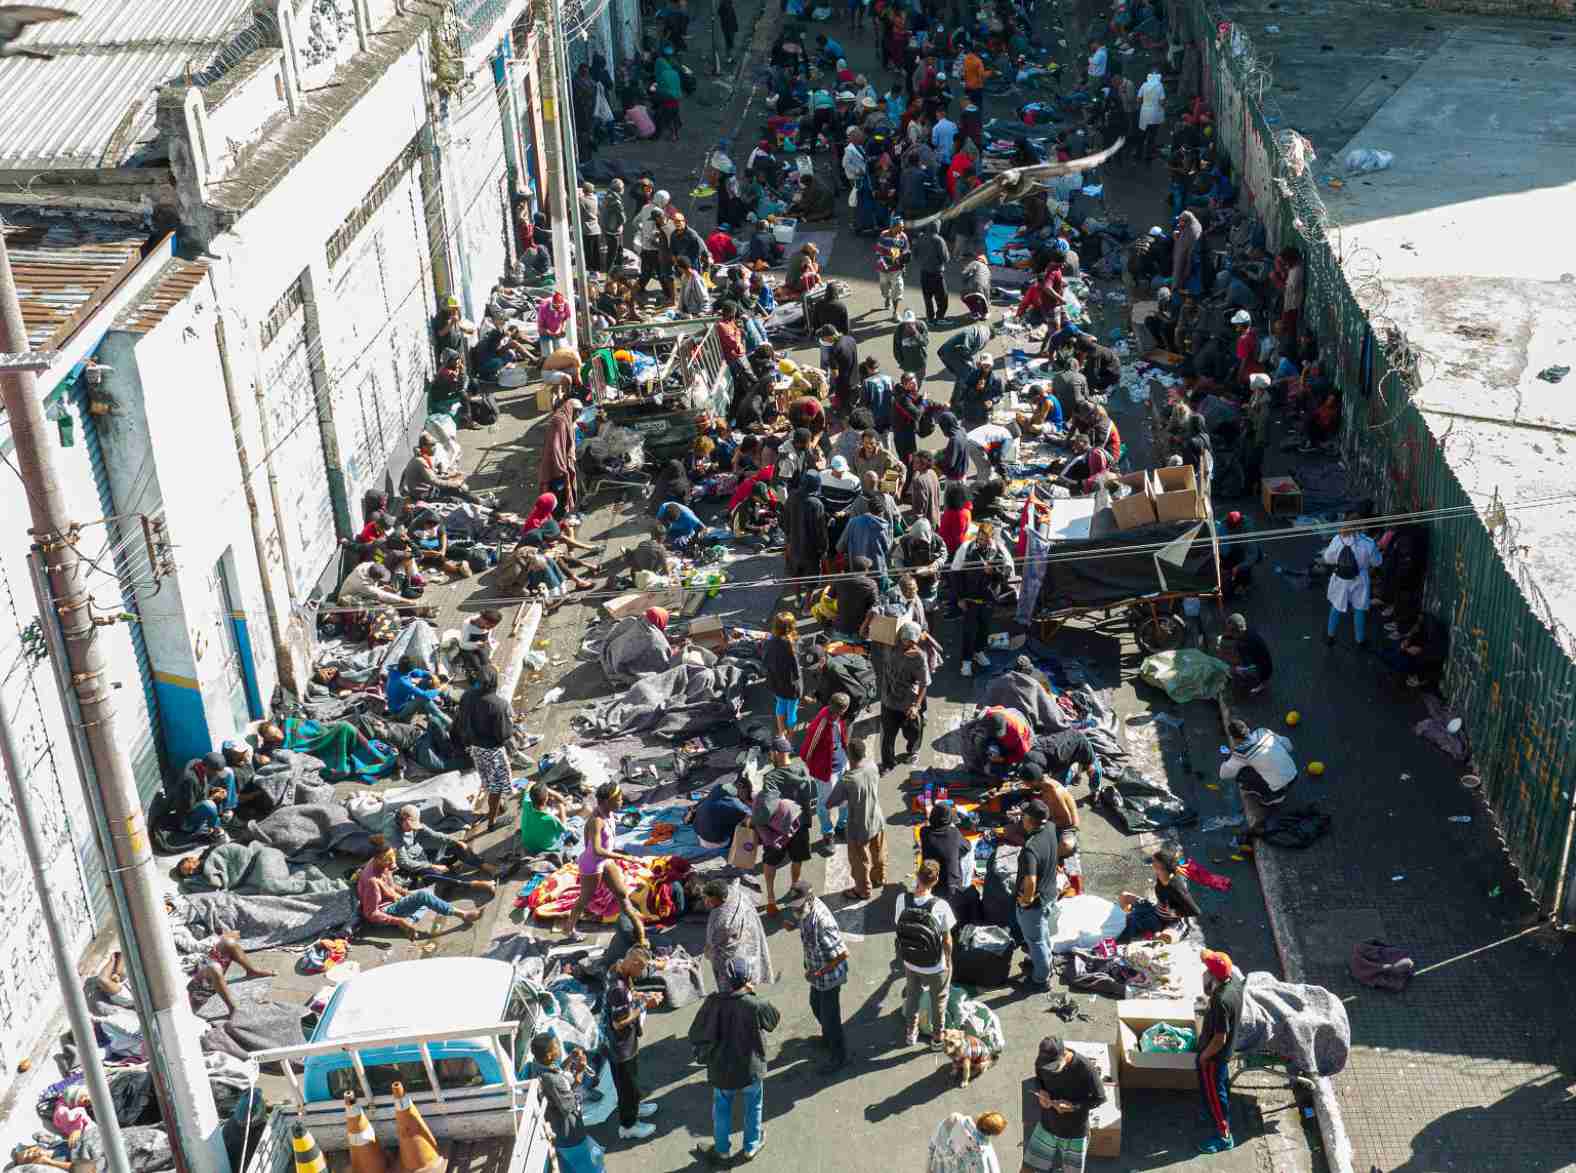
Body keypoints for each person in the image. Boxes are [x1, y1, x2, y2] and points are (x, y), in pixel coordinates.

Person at [689, 956, 780, 1167]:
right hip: (751, 1068)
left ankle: (722, 1151)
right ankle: (751, 1146)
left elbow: (695, 1033)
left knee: (721, 1108)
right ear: (747, 979)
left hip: (721, 1070)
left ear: (725, 979)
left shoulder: (713, 1002)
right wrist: (751, 993)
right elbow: (773, 1020)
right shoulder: (755, 1004)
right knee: (753, 1106)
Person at [561, 782, 639, 943]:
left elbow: (587, 838)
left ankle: (635, 925)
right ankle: (569, 928)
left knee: (622, 893)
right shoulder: (597, 821)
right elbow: (595, 849)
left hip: (605, 861)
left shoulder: (609, 814)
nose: (622, 801)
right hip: (592, 866)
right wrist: (624, 857)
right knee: (584, 899)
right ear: (606, 801)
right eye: (618, 799)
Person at [895, 860, 955, 1048]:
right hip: (935, 965)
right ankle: (937, 1038)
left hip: (910, 960)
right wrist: (948, 960)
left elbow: (899, 926)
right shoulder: (941, 906)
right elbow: (947, 939)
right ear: (936, 880)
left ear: (917, 875)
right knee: (939, 1000)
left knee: (912, 995)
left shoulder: (902, 899)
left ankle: (910, 1034)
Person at [754, 735, 816, 917]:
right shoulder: (802, 769)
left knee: (770, 862)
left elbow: (766, 809)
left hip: (778, 831)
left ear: (776, 753)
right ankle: (794, 889)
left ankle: (771, 900)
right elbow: (811, 797)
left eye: (771, 753)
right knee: (797, 860)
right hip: (800, 825)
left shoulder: (771, 777)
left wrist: (755, 821)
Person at [358, 847, 481, 938]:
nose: (393, 861)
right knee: (423, 896)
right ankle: (463, 914)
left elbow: (391, 886)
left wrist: (405, 893)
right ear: (377, 860)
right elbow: (371, 913)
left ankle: (410, 921)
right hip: (386, 911)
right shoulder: (371, 882)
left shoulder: (383, 865)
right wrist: (398, 921)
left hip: (394, 900)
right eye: (387, 859)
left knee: (428, 892)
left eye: (393, 856)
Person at [1025, 1036, 1106, 1172]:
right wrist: (1042, 1091)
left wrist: (1073, 1106)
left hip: (1074, 1132)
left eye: (1054, 1066)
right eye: (1047, 1067)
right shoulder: (1042, 1063)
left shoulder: (1085, 1068)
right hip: (1047, 1125)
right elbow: (1038, 1078)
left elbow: (1100, 1098)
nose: (1049, 1070)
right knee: (1028, 1168)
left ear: (1064, 1055)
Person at [606, 948, 663, 1141]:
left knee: (633, 1083)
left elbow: (629, 997)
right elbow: (618, 1022)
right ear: (635, 964)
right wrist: (645, 1006)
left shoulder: (620, 969)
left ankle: (635, 1109)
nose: (643, 974)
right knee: (627, 1088)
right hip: (621, 1049)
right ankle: (628, 1126)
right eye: (643, 969)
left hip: (628, 1044)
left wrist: (641, 997)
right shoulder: (618, 988)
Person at [1219, 719, 1298, 846]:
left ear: (1234, 739)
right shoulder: (1263, 731)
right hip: (1294, 776)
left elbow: (1224, 774)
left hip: (1277, 789)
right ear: (1248, 728)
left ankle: (1271, 798)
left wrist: (1228, 758)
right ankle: (1278, 787)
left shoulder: (1241, 753)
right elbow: (1289, 746)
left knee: (1242, 772)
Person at [453, 664, 514, 829]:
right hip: (492, 751)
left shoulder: (467, 696)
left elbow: (461, 720)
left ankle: (498, 806)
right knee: (497, 785)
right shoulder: (499, 705)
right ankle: (492, 821)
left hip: (475, 748)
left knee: (487, 779)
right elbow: (504, 735)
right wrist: (512, 723)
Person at [798, 879, 850, 1073]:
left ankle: (839, 1056)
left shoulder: (822, 922)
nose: (795, 910)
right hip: (816, 972)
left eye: (798, 906)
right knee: (815, 1005)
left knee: (831, 1018)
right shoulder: (805, 910)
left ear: (809, 899)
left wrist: (819, 972)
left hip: (828, 977)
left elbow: (843, 954)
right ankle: (828, 1037)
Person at [530, 1034, 601, 1173]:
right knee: (585, 1164)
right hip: (569, 1133)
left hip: (557, 1132)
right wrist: (580, 1073)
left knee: (568, 1166)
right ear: (549, 1055)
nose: (559, 1048)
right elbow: (569, 1105)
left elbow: (558, 1072)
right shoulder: (552, 1079)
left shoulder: (538, 1064)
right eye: (556, 1046)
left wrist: (570, 1059)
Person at [826, 736, 885, 900]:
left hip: (859, 827)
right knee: (878, 852)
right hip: (877, 818)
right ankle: (879, 877)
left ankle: (863, 890)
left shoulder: (848, 779)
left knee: (859, 862)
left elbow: (830, 803)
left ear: (848, 755)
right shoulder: (872, 766)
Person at [1196, 950, 1242, 1154]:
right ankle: (1213, 1115)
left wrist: (1204, 1056)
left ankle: (1224, 1137)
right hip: (1224, 1054)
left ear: (1213, 975)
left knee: (1216, 1096)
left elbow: (1220, 1038)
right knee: (1218, 1089)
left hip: (1214, 1057)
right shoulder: (1235, 984)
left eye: (1207, 968)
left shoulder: (1220, 1001)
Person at [393, 803, 496, 891]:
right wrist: (432, 866)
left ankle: (484, 866)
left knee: (456, 846)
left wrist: (456, 841)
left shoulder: (410, 825)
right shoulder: (393, 835)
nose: (412, 829)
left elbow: (435, 835)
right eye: (410, 825)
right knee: (434, 874)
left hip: (424, 856)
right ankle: (476, 884)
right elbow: (405, 862)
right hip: (413, 870)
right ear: (403, 820)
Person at [1014, 799, 1061, 990]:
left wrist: (1026, 901)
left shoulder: (1030, 849)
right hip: (1050, 893)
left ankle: (1041, 979)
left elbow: (1031, 880)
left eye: (1024, 815)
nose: (1021, 818)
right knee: (1043, 934)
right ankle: (1045, 961)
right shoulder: (1050, 827)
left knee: (1036, 940)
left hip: (1036, 902)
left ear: (1029, 820)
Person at [953, 522, 1010, 675]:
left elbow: (1006, 574)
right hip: (970, 599)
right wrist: (959, 598)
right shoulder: (966, 549)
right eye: (980, 538)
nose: (982, 542)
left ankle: (979, 652)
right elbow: (956, 574)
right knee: (969, 631)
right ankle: (966, 661)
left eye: (985, 539)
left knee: (984, 629)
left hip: (988, 600)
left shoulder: (998, 550)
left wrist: (993, 571)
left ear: (991, 538)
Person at [702, 877, 774, 994]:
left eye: (709, 899)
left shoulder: (721, 921)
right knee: (748, 971)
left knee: (735, 983)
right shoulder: (735, 893)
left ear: (720, 898)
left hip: (732, 956)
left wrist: (708, 952)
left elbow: (712, 946)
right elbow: (735, 883)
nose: (706, 902)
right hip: (747, 938)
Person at [799, 693, 851, 849]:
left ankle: (841, 826)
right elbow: (806, 752)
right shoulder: (821, 724)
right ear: (843, 709)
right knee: (824, 804)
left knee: (846, 798)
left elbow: (841, 738)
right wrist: (818, 770)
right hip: (827, 772)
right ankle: (828, 833)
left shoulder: (837, 718)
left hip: (842, 764)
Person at [878, 620, 931, 772]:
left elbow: (924, 683)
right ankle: (888, 763)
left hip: (908, 703)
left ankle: (913, 751)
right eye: (905, 640)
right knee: (887, 736)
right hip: (888, 700)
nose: (907, 644)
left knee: (913, 732)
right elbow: (872, 632)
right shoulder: (888, 646)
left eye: (911, 641)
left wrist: (916, 706)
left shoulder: (919, 658)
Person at [1323, 519, 1382, 647]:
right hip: (1360, 579)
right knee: (1359, 609)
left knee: (1336, 607)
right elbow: (1377, 562)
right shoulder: (1368, 543)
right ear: (1361, 526)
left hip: (1340, 579)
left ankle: (1330, 636)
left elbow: (1328, 558)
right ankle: (1360, 640)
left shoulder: (1337, 539)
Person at [1119, 849, 1202, 936]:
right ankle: (1133, 920)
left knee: (1163, 937)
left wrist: (1175, 913)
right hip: (1155, 912)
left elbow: (1195, 911)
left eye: (1154, 861)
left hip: (1171, 921)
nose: (1152, 863)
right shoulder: (1161, 875)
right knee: (1124, 896)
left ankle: (1155, 930)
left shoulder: (1176, 887)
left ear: (1162, 866)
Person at [920, 801, 974, 921]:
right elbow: (967, 847)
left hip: (930, 883)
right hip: (952, 888)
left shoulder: (924, 832)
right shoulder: (953, 833)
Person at [927, 1111, 1008, 1173]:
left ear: (983, 1116)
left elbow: (934, 1143)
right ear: (993, 1134)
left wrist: (929, 1167)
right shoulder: (986, 1155)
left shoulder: (954, 1119)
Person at [385, 655, 450, 730]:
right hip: (399, 711)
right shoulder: (402, 682)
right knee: (423, 699)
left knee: (426, 681)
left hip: (405, 701)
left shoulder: (397, 669)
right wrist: (440, 689)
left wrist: (431, 675)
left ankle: (433, 709)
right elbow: (424, 696)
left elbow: (417, 672)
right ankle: (447, 721)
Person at [764, 611, 804, 734]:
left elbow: (765, 662)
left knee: (780, 704)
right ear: (792, 626)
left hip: (776, 682)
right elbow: (796, 671)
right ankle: (790, 738)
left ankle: (781, 733)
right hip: (791, 686)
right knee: (791, 711)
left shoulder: (769, 641)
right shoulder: (794, 643)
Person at [688, 778, 753, 849]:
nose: (747, 796)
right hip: (714, 842)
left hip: (699, 834)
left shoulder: (718, 788)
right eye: (747, 792)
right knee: (745, 824)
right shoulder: (735, 804)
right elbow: (751, 816)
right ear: (740, 786)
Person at [1219, 612, 1273, 693]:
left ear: (1237, 632)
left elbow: (1244, 661)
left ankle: (1262, 684)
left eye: (1232, 632)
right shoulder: (1248, 632)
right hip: (1264, 664)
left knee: (1234, 670)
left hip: (1262, 669)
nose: (1231, 634)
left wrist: (1237, 667)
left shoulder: (1246, 645)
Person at [520, 782, 570, 854]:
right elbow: (564, 828)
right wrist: (562, 808)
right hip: (544, 849)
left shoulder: (525, 802)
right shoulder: (551, 819)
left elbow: (529, 785)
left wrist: (540, 789)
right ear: (546, 798)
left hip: (528, 845)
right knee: (575, 823)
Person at [876, 218, 911, 318]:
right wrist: (885, 265)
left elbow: (905, 252)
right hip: (884, 269)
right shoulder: (883, 235)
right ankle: (887, 297)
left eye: (903, 227)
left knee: (897, 289)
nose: (902, 229)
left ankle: (895, 313)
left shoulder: (903, 237)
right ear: (892, 227)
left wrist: (903, 265)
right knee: (884, 287)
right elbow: (878, 253)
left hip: (896, 269)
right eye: (899, 227)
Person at [915, 223, 951, 322]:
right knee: (943, 298)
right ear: (937, 227)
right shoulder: (939, 240)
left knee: (927, 297)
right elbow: (945, 258)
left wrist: (922, 261)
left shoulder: (920, 238)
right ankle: (940, 317)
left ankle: (929, 318)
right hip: (937, 273)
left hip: (924, 272)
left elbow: (914, 254)